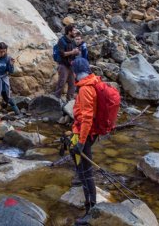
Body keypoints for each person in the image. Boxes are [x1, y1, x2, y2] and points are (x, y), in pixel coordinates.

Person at [70, 57, 100, 225]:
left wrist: (81, 142)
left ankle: (91, 211)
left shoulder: (85, 89)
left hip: (86, 134)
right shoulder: (90, 82)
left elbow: (87, 118)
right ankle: (89, 204)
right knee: (82, 169)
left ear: (76, 72)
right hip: (85, 132)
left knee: (86, 173)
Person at [54, 24, 80, 101]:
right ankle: (56, 99)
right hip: (63, 65)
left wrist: (77, 52)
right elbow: (62, 54)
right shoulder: (61, 41)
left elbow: (75, 53)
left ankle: (69, 101)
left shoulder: (73, 41)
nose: (75, 32)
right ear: (69, 32)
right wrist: (72, 52)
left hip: (71, 66)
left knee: (72, 84)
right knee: (61, 83)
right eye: (74, 30)